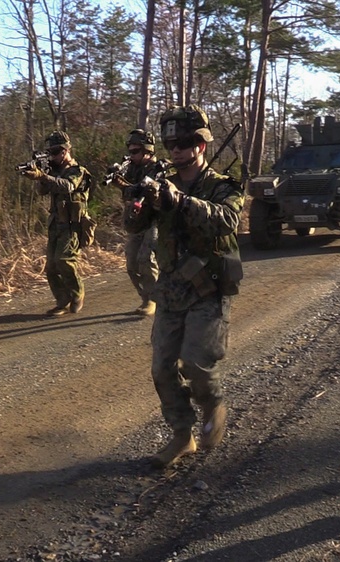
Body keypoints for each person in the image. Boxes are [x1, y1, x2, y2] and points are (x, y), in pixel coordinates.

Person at [124, 105, 245, 469]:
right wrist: (136, 197)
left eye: (185, 142)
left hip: (208, 288)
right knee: (162, 369)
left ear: (202, 145)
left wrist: (180, 200)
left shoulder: (222, 186)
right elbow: (133, 226)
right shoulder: (162, 180)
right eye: (171, 143)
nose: (176, 150)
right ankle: (182, 435)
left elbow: (227, 221)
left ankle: (213, 403)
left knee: (196, 364)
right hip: (172, 289)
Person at [21, 130, 92, 316]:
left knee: (65, 261)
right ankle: (62, 300)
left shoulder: (78, 171)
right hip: (56, 223)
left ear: (65, 151)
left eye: (54, 152)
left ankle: (77, 294)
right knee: (51, 266)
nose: (51, 156)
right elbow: (42, 192)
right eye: (49, 153)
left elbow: (68, 186)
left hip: (72, 223)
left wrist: (43, 176)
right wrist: (40, 174)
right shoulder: (53, 170)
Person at [110, 129, 162, 316]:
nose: (131, 155)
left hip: (155, 219)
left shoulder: (160, 169)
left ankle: (153, 300)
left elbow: (144, 191)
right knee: (132, 263)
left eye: (135, 152)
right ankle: (146, 296)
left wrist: (125, 186)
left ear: (147, 151)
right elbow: (128, 194)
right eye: (130, 151)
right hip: (136, 221)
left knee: (146, 260)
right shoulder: (131, 168)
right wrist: (118, 180)